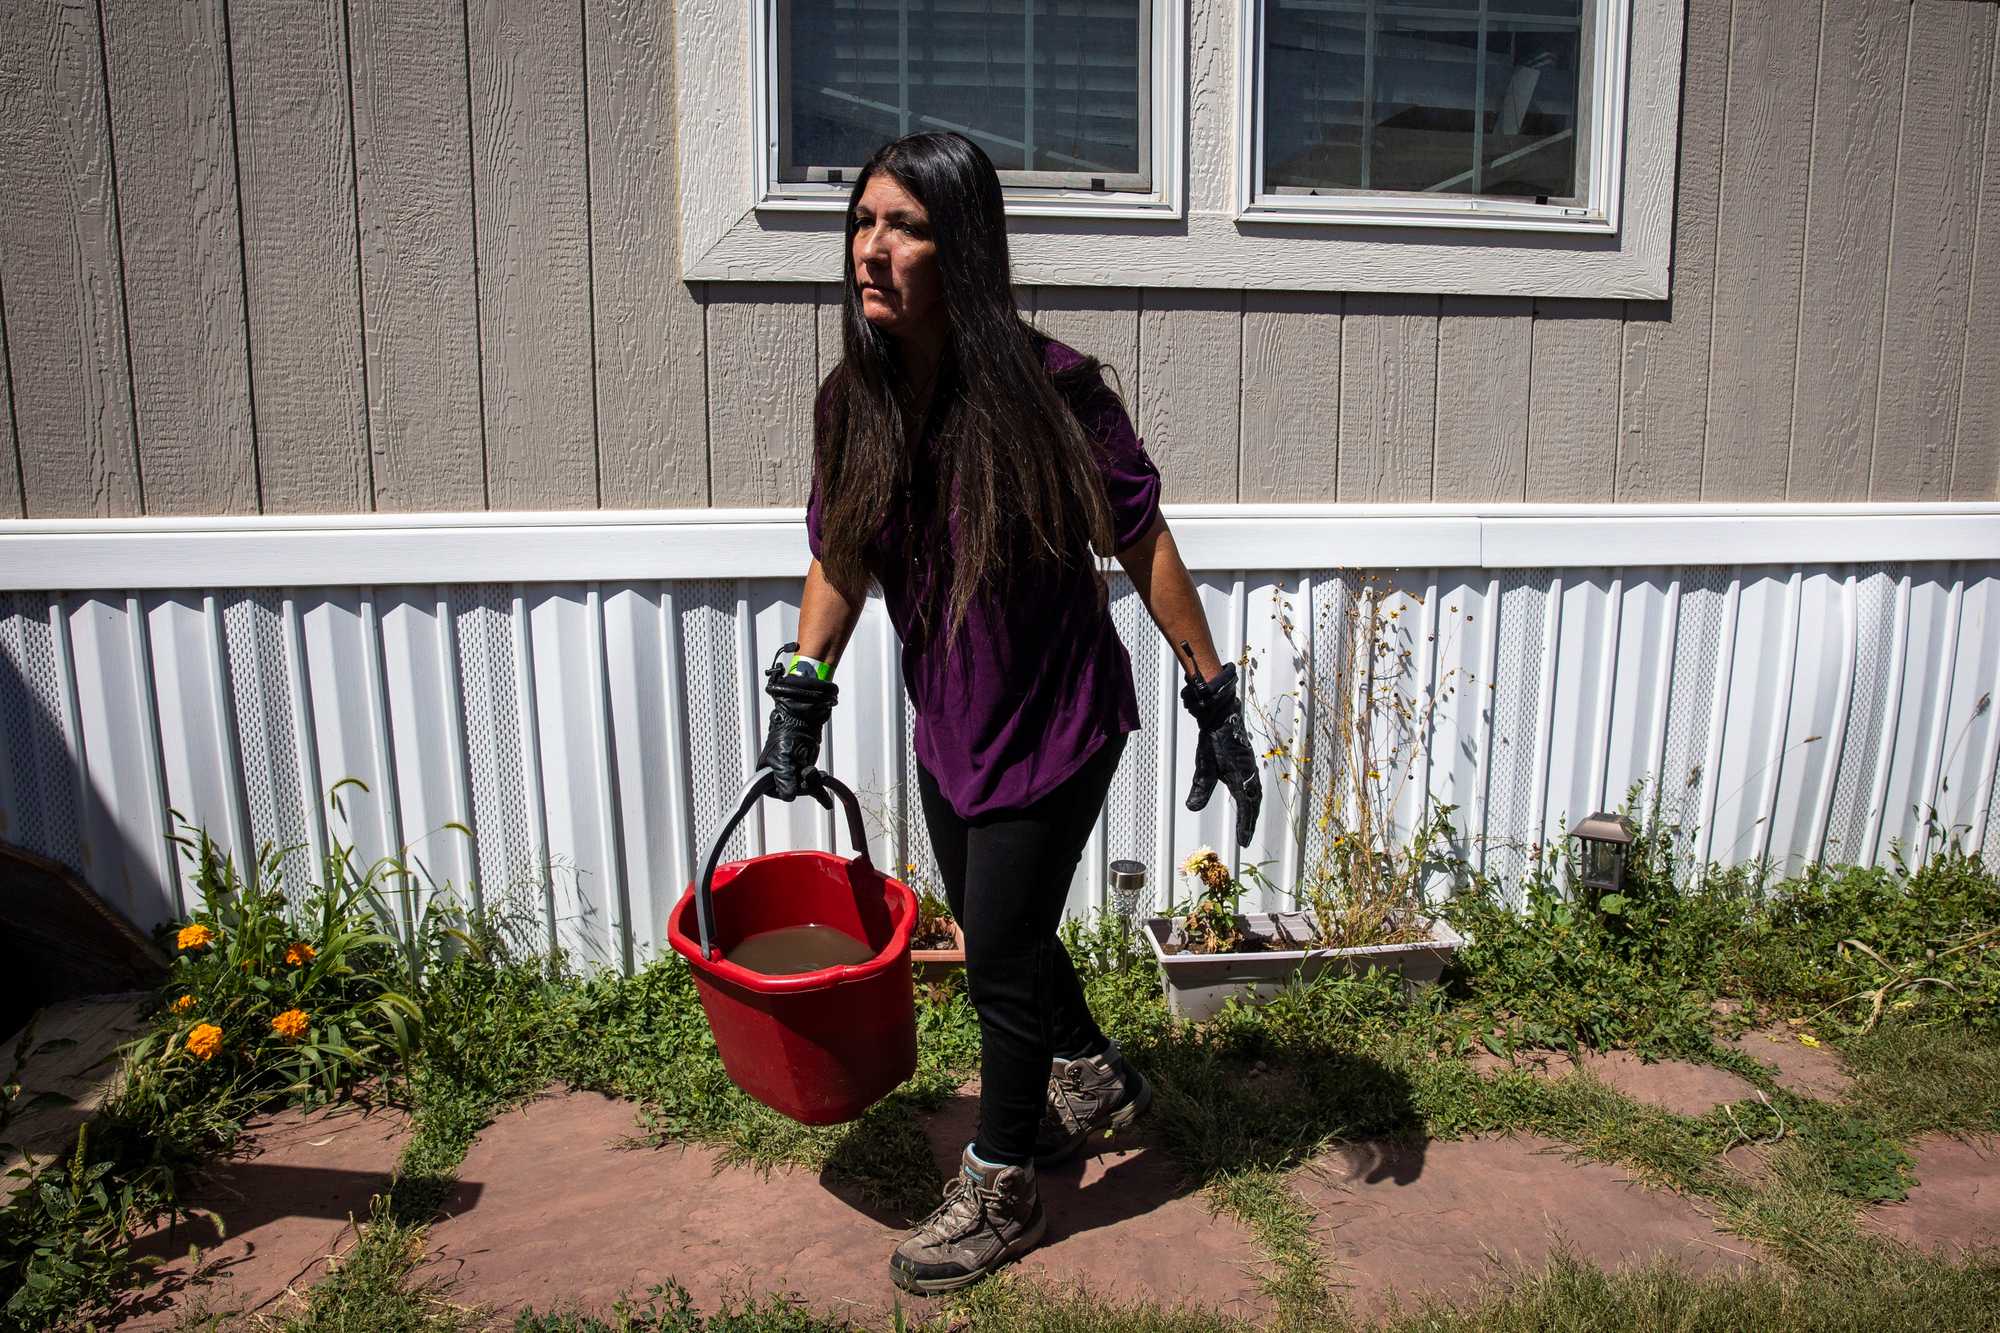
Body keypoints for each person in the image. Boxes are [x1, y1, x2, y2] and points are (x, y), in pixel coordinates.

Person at [757, 131, 1262, 1294]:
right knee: (1006, 932)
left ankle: (1003, 1181)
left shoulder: (1052, 392)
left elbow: (1140, 540)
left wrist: (1211, 692)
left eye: (904, 228)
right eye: (862, 222)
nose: (869, 252)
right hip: (953, 721)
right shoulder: (855, 403)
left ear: (964, 249)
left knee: (995, 954)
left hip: (1056, 720)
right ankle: (1090, 1074)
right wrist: (803, 688)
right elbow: (839, 556)